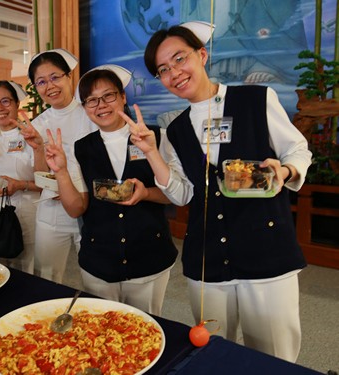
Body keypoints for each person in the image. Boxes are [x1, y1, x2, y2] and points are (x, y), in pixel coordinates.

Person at [126, 21, 312, 361]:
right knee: (213, 352)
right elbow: (182, 194)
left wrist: (284, 170)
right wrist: (152, 151)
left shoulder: (256, 99)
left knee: (274, 356)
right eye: (163, 70)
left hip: (266, 251)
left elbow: (298, 150)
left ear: (202, 55)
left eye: (179, 59)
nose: (174, 73)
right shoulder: (176, 127)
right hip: (207, 259)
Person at [43, 65, 179, 315]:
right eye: (91, 100)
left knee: (145, 330)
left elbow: (177, 196)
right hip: (99, 261)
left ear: (123, 97)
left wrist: (146, 193)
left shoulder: (157, 136)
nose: (101, 105)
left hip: (149, 256)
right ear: (85, 108)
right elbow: (76, 209)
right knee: (101, 334)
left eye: (108, 95)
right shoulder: (80, 148)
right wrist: (61, 171)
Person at [25, 48, 97, 283]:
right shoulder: (38, 124)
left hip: (91, 208)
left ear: (69, 77)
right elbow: (40, 176)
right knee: (46, 277)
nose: (50, 86)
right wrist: (37, 147)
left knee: (94, 276)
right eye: (41, 82)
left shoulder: (91, 113)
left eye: (55, 77)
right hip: (52, 212)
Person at [0, 80, 43, 274]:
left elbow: (47, 182)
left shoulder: (32, 138)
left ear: (16, 104)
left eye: (5, 101)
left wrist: (21, 185)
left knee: (27, 272)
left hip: (28, 214)